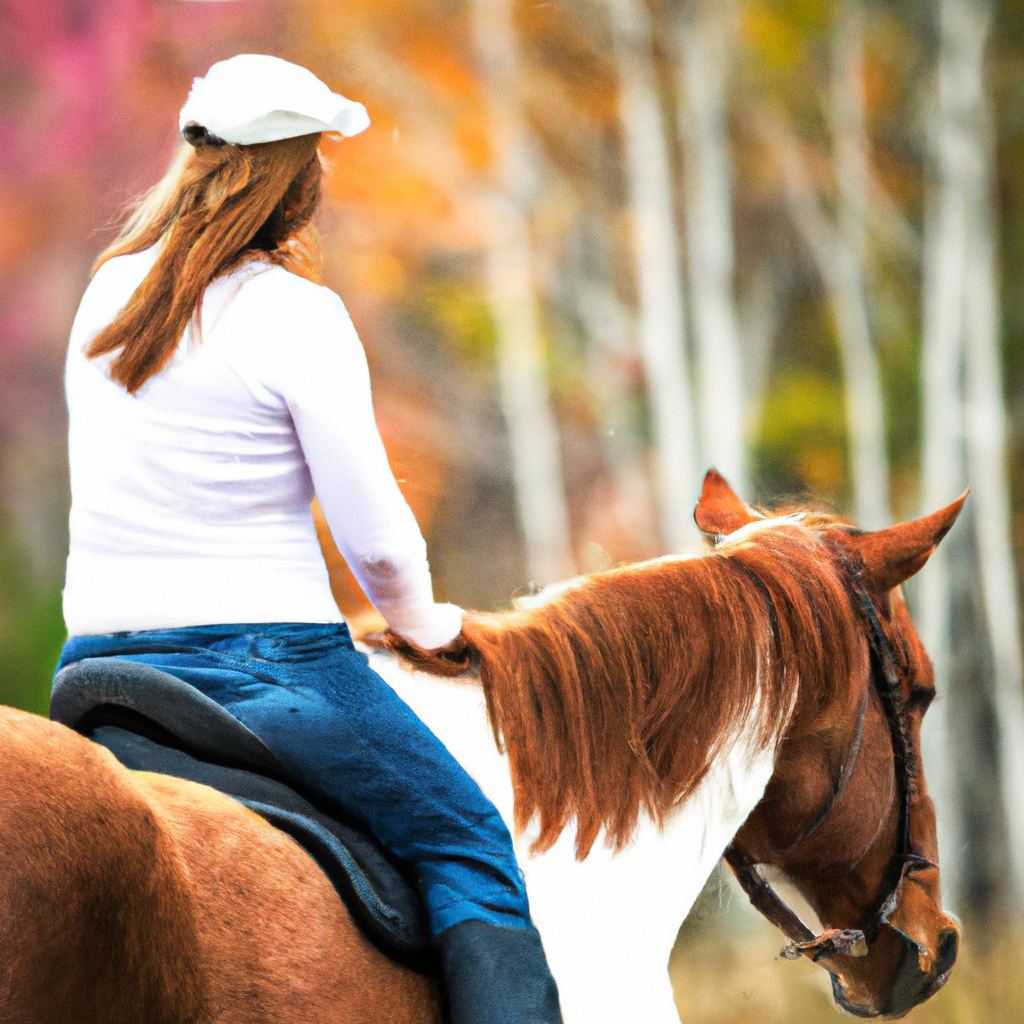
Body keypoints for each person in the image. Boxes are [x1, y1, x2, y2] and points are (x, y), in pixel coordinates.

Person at [55, 54, 561, 1024]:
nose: (324, 180)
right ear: (289, 178)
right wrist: (424, 622)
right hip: (262, 670)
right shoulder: (295, 314)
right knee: (469, 846)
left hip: (96, 667)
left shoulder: (105, 296)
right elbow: (374, 540)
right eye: (317, 159)